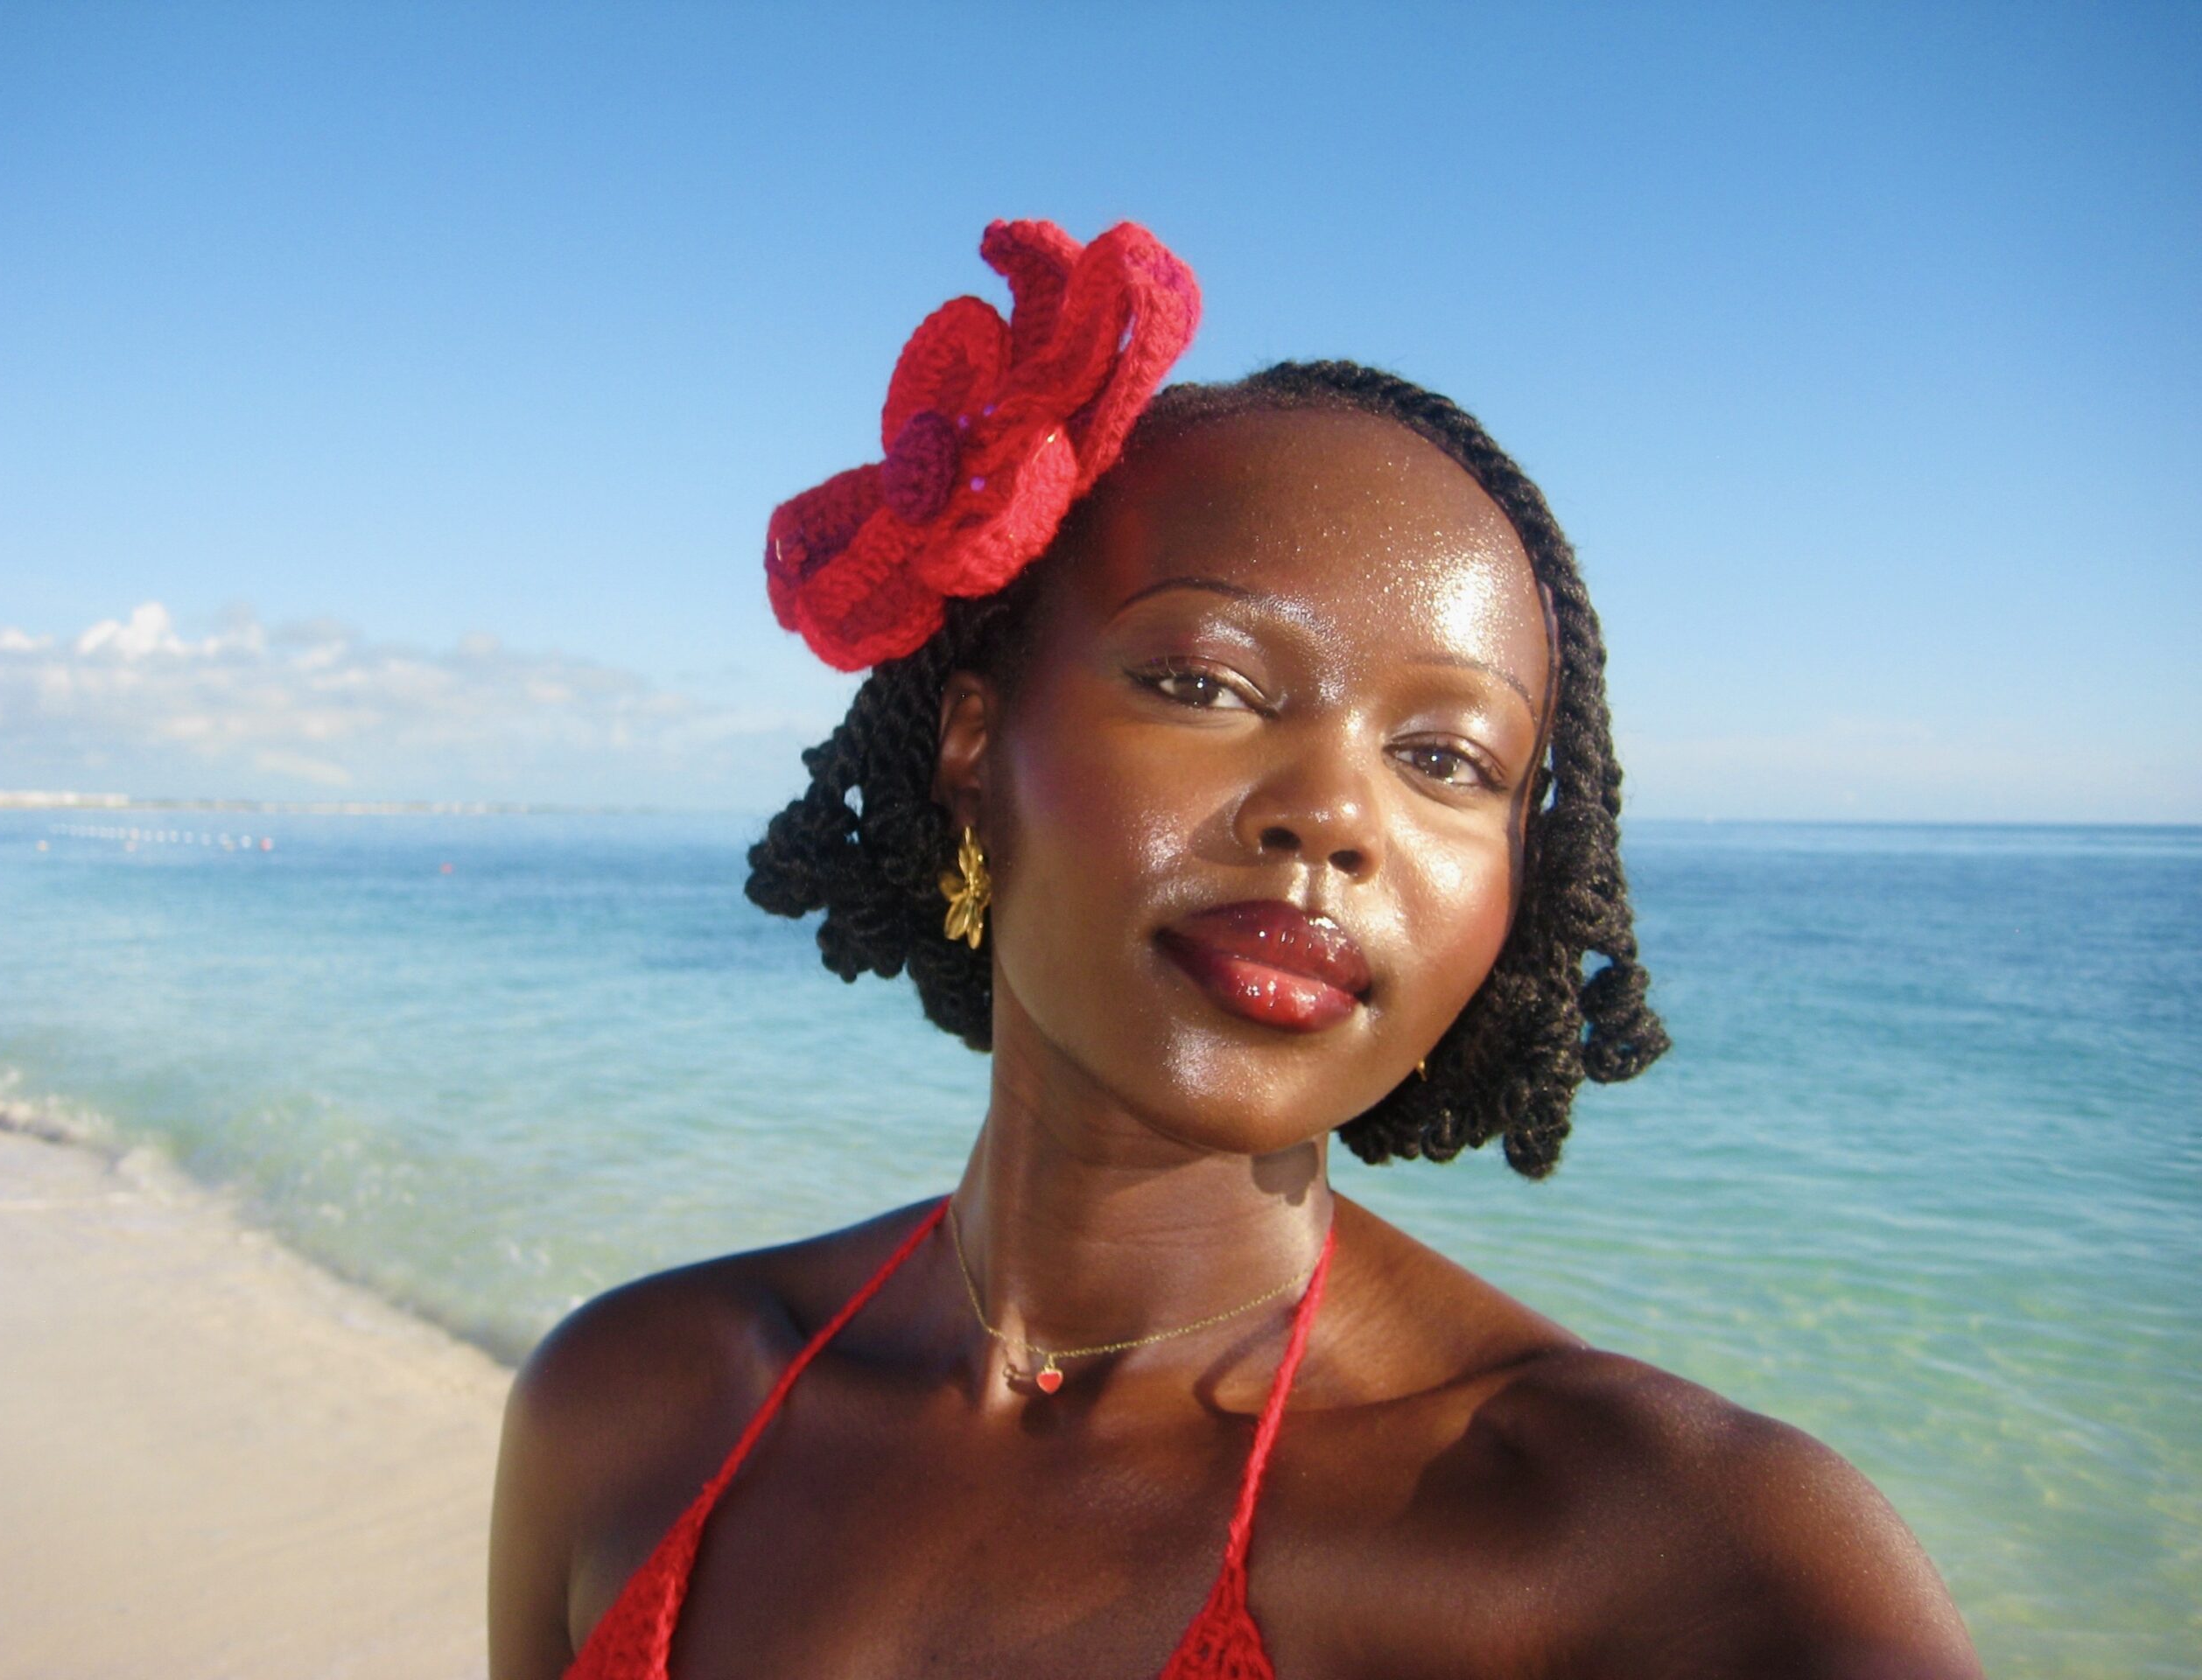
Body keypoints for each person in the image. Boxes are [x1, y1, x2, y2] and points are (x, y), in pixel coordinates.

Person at [488, 220, 1982, 1678]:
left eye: (1448, 761)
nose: (1335, 817)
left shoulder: (1666, 1561)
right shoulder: (637, 1400)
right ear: (973, 747)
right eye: (1208, 681)